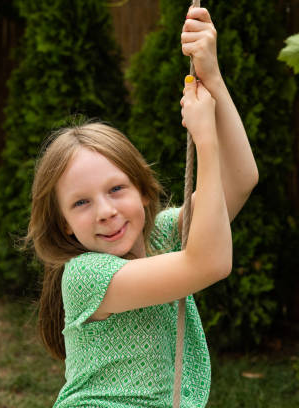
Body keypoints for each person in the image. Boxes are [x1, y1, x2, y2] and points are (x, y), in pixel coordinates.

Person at [25, 7, 258, 407]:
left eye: (116, 189)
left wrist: (214, 78)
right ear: (63, 225)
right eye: (81, 202)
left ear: (144, 192)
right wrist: (205, 141)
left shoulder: (163, 235)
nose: (105, 211)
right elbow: (209, 264)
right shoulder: (85, 275)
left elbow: (240, 180)